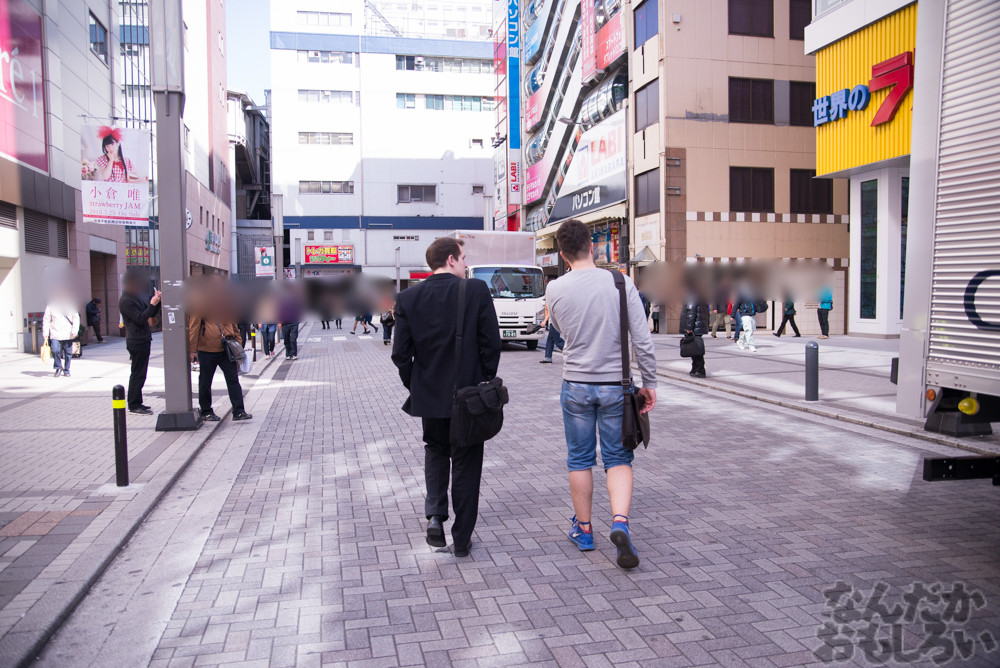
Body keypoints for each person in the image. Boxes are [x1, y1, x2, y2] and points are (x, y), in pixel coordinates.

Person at [546, 220, 657, 570]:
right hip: (617, 387)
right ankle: (620, 523)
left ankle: (584, 530)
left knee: (580, 459)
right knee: (618, 458)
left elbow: (558, 329)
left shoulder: (555, 288)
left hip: (575, 384)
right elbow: (642, 339)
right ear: (591, 246)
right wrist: (649, 382)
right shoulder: (620, 282)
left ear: (563, 254)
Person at [391, 237, 501, 558]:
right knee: (467, 460)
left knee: (436, 450)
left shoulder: (408, 298)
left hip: (430, 397)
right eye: (463, 258)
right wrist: (484, 379)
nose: (466, 264)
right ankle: (462, 539)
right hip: (469, 396)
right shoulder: (475, 290)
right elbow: (491, 343)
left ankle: (435, 517)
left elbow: (401, 355)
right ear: (451, 259)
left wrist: (417, 385)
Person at [187, 315, 252, 422]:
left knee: (233, 380)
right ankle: (206, 411)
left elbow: (235, 327)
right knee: (205, 382)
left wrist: (238, 348)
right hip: (207, 350)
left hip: (227, 349)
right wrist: (192, 350)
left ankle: (239, 411)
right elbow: (194, 327)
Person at [119, 270, 161, 414]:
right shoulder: (126, 301)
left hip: (143, 339)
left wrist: (156, 302)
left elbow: (149, 314)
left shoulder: (135, 297)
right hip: (136, 340)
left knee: (141, 373)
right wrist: (152, 304)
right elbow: (141, 318)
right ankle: (134, 404)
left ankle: (138, 402)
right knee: (137, 373)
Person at [43, 295, 80, 378]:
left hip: (68, 333)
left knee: (68, 353)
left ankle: (67, 370)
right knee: (55, 350)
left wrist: (75, 330)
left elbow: (76, 318)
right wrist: (46, 332)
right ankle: (58, 367)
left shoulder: (70, 305)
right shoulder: (50, 306)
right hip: (55, 333)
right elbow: (46, 319)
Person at [680, 298, 709, 378]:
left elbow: (691, 312)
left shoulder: (692, 296)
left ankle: (700, 370)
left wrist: (689, 328)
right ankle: (695, 368)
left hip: (694, 328)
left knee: (696, 350)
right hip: (698, 326)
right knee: (695, 349)